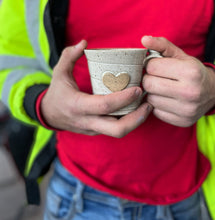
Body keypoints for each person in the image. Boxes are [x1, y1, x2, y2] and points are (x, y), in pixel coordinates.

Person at [0, 0, 215, 219]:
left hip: (189, 192)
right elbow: (9, 56)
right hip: (76, 191)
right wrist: (43, 104)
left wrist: (212, 88)